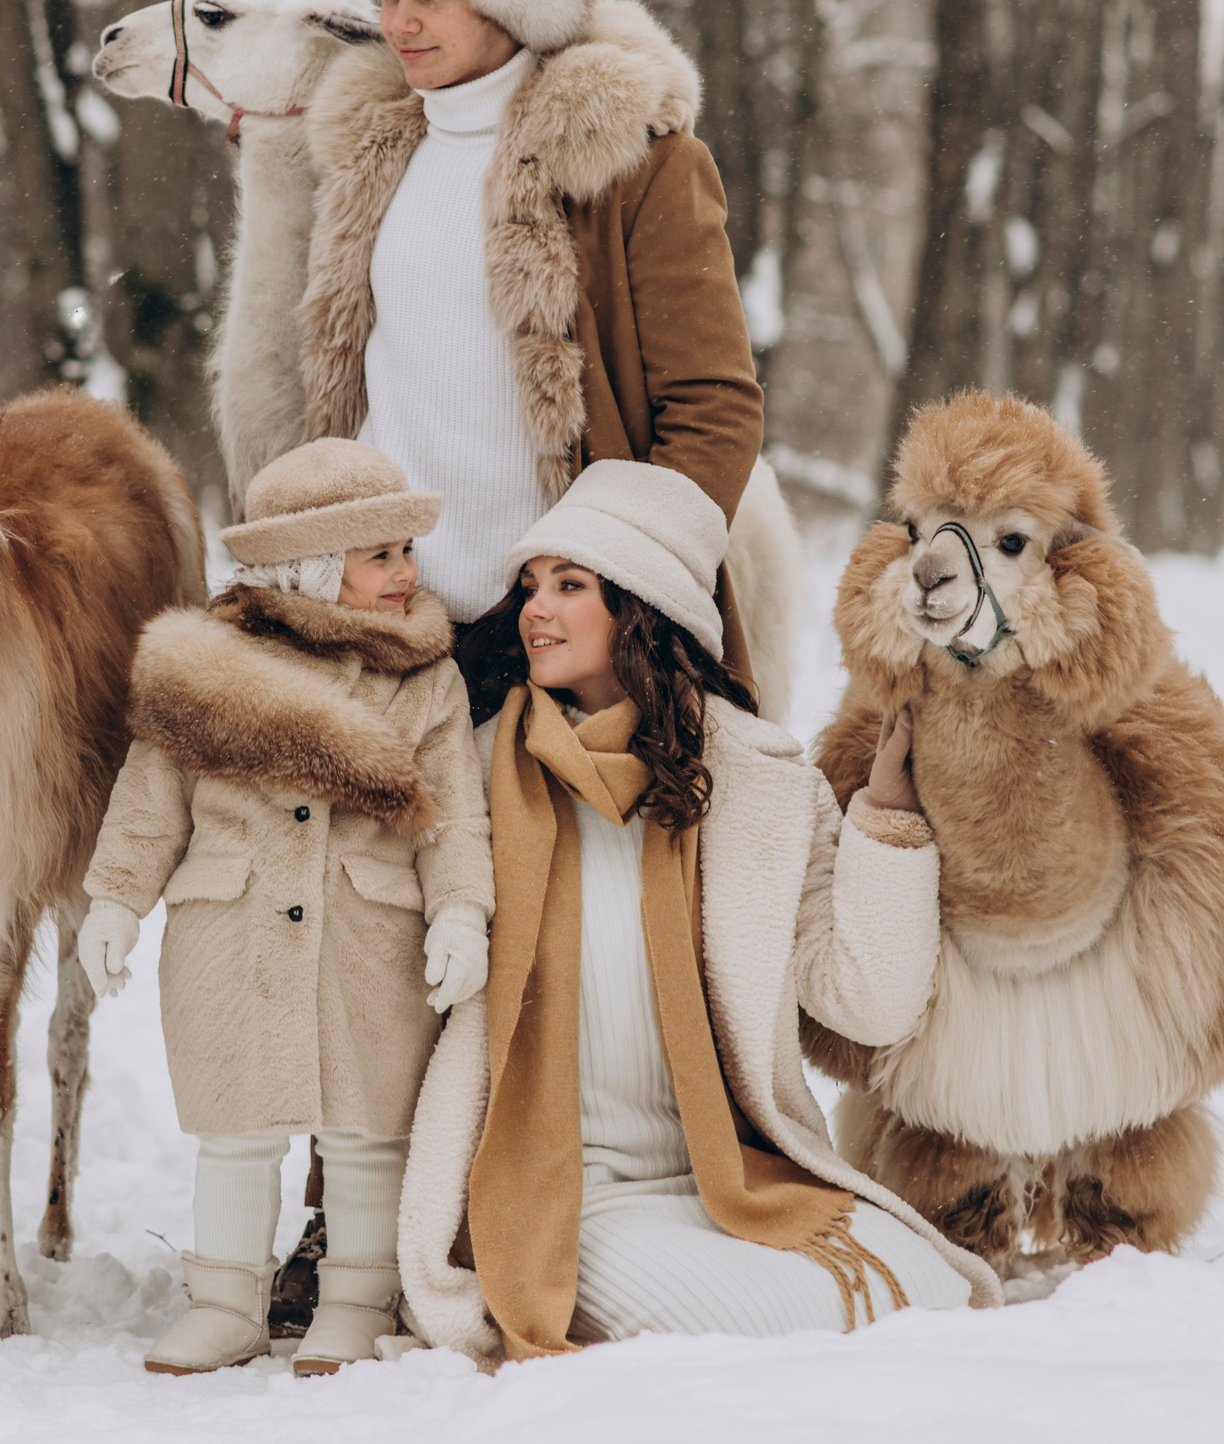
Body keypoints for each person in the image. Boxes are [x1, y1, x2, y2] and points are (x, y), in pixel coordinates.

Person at [393, 461, 1002, 1360]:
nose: (534, 610)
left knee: (930, 1292)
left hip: (741, 1173)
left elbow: (869, 1001)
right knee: (771, 1331)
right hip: (571, 1195)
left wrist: (887, 819)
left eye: (569, 585)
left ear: (641, 605)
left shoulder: (759, 780)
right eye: (529, 586)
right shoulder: (476, 772)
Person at [212, 0, 773, 712]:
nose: (401, 23)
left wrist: (615, 591)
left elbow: (714, 407)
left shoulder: (635, 162)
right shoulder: (368, 157)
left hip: (560, 643)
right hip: (389, 629)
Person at [72, 439, 494, 1376]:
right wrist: (114, 900)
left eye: (406, 551)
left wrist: (461, 909)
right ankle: (225, 1301)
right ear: (310, 563)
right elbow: (151, 800)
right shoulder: (207, 664)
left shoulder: (423, 676)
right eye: (379, 554)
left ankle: (357, 1300)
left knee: (366, 1134)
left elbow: (455, 814)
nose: (406, 572)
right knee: (236, 1129)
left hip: (366, 936)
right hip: (231, 931)